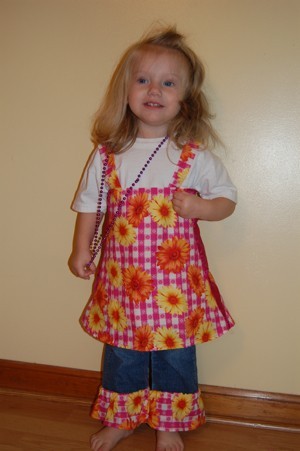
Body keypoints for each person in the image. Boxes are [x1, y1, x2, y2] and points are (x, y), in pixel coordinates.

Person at [68, 26, 237, 451]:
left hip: (174, 288)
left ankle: (169, 423)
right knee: (123, 351)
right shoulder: (109, 152)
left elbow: (227, 200)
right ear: (125, 89)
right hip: (123, 280)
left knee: (174, 354)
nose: (154, 90)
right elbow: (91, 204)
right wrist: (79, 249)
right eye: (143, 79)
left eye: (168, 82)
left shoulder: (192, 154)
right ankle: (122, 418)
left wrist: (202, 208)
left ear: (186, 97)